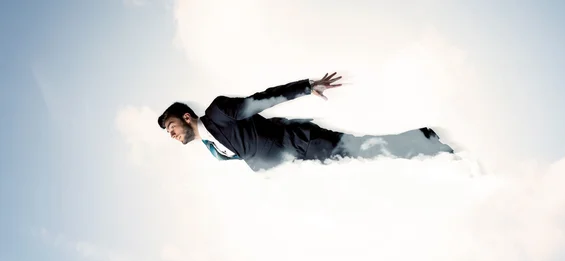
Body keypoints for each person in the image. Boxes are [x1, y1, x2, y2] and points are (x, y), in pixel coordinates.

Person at [158, 72, 454, 172]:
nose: (172, 134)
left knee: (363, 151)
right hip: (299, 163)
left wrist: (305, 86)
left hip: (300, 143)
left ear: (186, 117)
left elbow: (260, 100)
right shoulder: (212, 150)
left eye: (171, 127)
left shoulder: (218, 112)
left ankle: (428, 141)